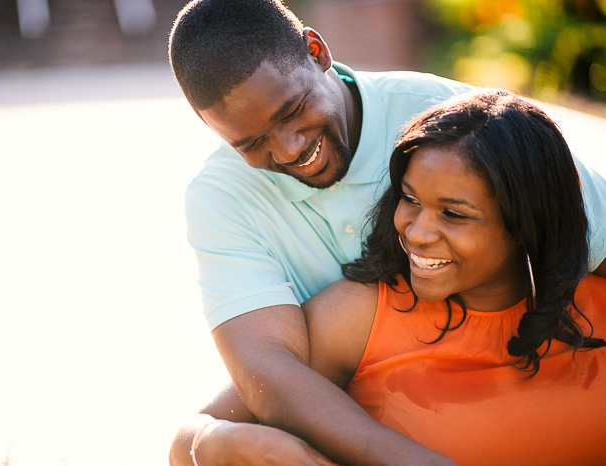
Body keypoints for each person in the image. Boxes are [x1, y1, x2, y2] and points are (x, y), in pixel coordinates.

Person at [168, 0, 606, 464]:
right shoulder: (223, 199)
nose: (290, 148)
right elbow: (266, 375)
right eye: (251, 143)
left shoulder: (454, 119)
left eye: (291, 110)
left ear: (317, 52)